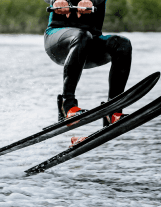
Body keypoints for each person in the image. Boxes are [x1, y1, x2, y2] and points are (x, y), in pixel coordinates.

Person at [43, 0, 132, 145]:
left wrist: (92, 2)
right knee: (82, 36)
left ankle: (113, 110)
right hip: (57, 42)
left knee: (122, 44)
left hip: (90, 45)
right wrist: (55, 1)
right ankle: (68, 106)